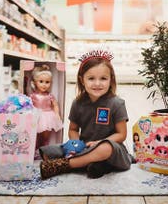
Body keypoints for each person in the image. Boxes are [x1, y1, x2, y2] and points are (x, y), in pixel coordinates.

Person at [39, 50, 132, 179]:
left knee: (104, 149)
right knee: (47, 152)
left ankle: (66, 165)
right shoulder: (78, 103)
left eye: (103, 78)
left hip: (111, 148)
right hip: (84, 147)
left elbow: (121, 134)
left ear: (111, 80)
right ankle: (94, 163)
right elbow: (73, 129)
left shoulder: (117, 103)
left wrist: (98, 143)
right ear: (82, 80)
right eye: (91, 78)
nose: (97, 83)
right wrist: (76, 144)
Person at [28, 64, 63, 159]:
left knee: (45, 137)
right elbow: (28, 106)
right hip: (36, 117)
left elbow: (55, 105)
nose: (44, 84)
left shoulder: (50, 96)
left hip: (48, 117)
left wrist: (57, 114)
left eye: (47, 82)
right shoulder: (32, 96)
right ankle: (33, 151)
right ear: (35, 82)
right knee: (35, 136)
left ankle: (45, 152)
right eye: (41, 81)